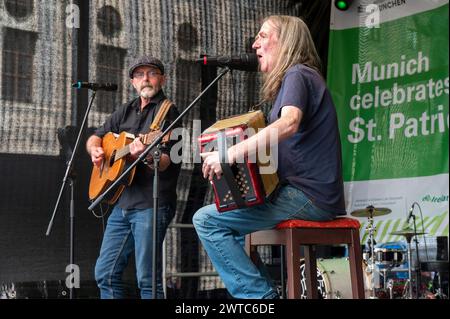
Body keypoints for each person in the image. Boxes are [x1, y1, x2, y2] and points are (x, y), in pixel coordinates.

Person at [193, 15, 346, 299]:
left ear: (285, 40)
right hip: (306, 193)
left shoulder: (298, 74)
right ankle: (263, 293)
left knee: (206, 220)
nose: (254, 44)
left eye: (263, 36)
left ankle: (261, 298)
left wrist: (229, 154)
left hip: (309, 196)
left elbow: (289, 123)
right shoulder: (301, 76)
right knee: (229, 221)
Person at [86, 56, 181, 299]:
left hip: (152, 203)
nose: (145, 79)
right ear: (132, 82)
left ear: (163, 79)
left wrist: (147, 155)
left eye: (151, 73)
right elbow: (97, 136)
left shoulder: (169, 113)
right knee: (104, 273)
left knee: (148, 281)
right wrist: (96, 150)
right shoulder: (125, 110)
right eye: (140, 75)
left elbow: (168, 161)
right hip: (123, 203)